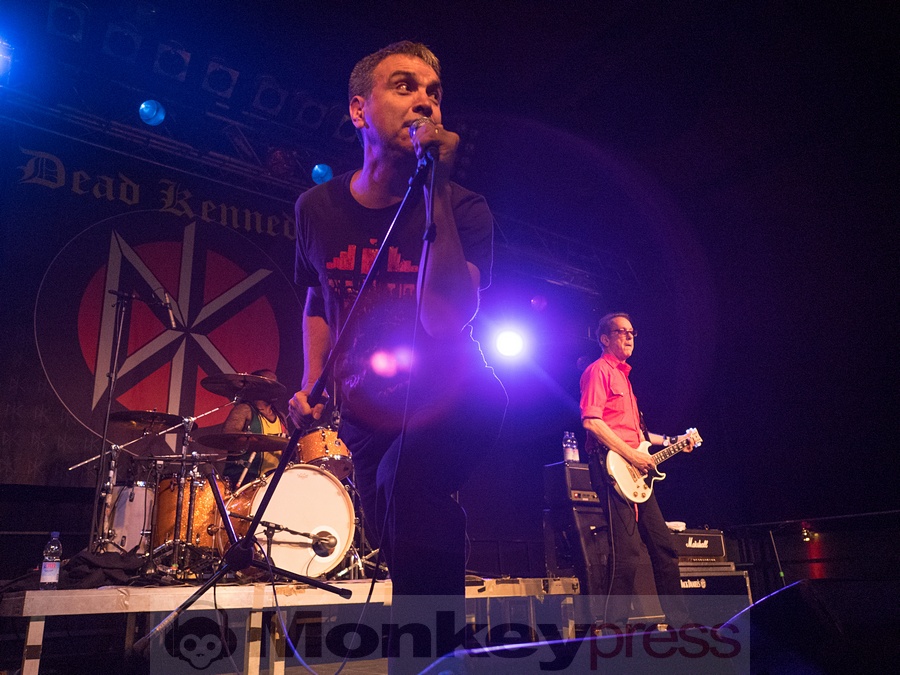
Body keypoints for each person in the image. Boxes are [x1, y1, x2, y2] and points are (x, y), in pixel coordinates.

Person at [288, 40, 507, 664]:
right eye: (405, 85)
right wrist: (315, 382)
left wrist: (433, 187)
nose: (425, 101)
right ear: (359, 109)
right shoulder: (317, 209)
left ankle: (429, 657)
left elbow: (445, 319)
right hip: (368, 406)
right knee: (397, 515)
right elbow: (316, 299)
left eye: (434, 91)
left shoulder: (465, 208)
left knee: (406, 482)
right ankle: (437, 650)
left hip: (457, 392)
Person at [580, 312, 696, 631]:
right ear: (604, 338)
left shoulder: (625, 379)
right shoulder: (598, 371)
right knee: (627, 551)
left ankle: (681, 624)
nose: (630, 337)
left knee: (663, 546)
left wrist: (673, 441)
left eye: (632, 332)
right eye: (621, 332)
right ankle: (613, 629)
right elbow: (591, 421)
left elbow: (638, 435)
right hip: (611, 466)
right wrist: (631, 454)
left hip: (635, 469)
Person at [221, 369, 288, 490]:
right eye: (270, 384)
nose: (275, 388)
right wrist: (259, 442)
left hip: (271, 483)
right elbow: (228, 438)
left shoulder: (280, 417)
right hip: (243, 482)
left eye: (276, 383)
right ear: (256, 386)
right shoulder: (244, 409)